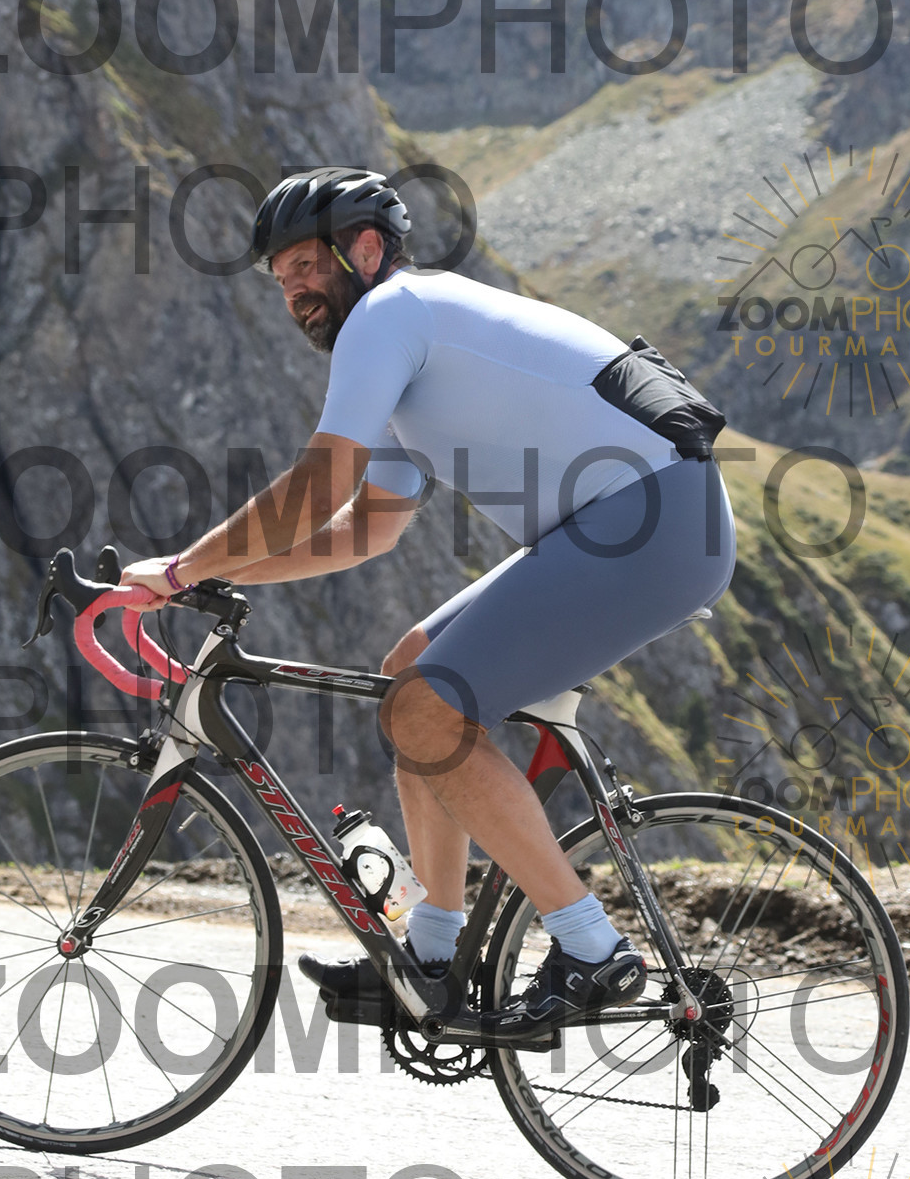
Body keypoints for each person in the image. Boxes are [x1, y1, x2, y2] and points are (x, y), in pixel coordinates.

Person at [122, 167, 736, 1037]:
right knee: (409, 672)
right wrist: (217, 577)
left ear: (366, 249)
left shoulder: (390, 313)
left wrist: (183, 568)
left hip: (652, 523)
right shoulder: (404, 345)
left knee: (427, 713)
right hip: (631, 523)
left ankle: (593, 949)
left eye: (306, 265)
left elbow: (317, 484)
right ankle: (434, 957)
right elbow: (364, 528)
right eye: (282, 278)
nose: (294, 290)